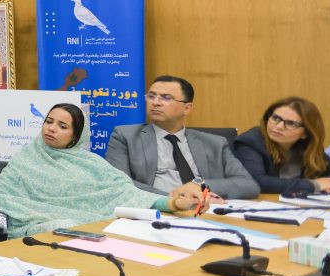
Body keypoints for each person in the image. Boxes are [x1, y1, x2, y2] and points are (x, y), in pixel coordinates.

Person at [0, 104, 205, 238]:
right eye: (49, 122)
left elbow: (127, 194)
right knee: (64, 225)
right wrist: (39, 215)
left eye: (63, 126)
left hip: (93, 230)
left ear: (76, 137)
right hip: (37, 227)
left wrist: (174, 203)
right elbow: (2, 198)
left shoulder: (92, 163)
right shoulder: (25, 159)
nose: (52, 128)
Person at [105, 75, 259, 200]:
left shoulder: (215, 143)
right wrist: (174, 200)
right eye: (151, 96)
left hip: (205, 210)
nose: (156, 103)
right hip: (157, 212)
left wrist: (198, 186)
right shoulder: (125, 136)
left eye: (166, 98)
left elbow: (248, 185)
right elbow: (118, 184)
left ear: (187, 108)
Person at [232, 97, 330, 196]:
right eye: (275, 118)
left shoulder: (306, 146)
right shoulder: (250, 142)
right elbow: (257, 182)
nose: (279, 126)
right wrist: (314, 185)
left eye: (291, 123)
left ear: (305, 133)